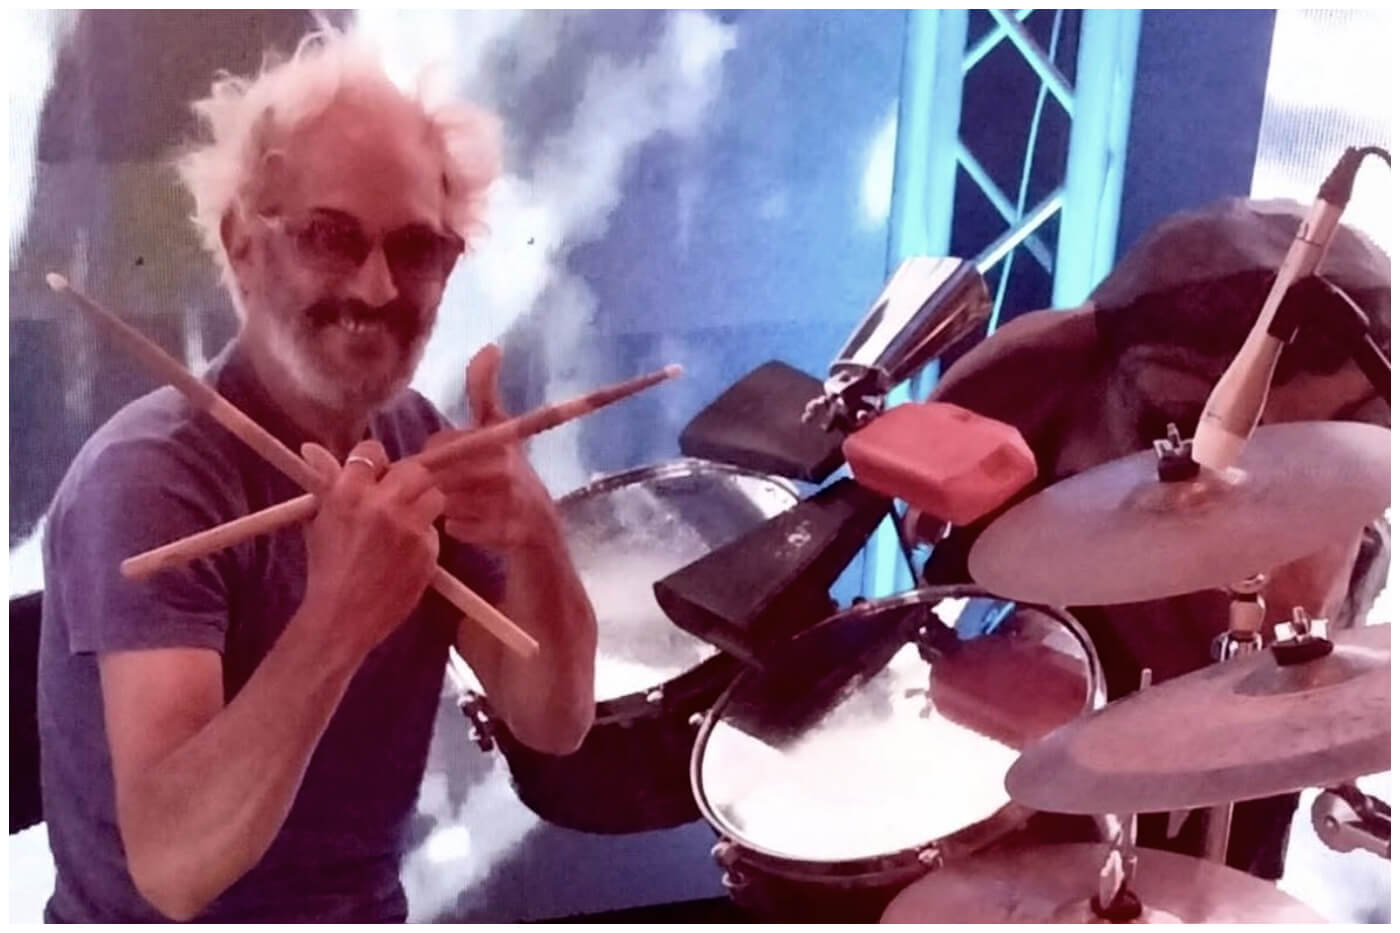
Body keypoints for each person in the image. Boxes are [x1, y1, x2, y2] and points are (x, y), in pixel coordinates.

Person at [37, 27, 598, 923]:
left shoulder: (419, 443)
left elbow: (553, 721)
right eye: (331, 238)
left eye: (417, 248)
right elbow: (174, 868)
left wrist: (534, 533)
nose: (377, 289)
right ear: (243, 245)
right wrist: (339, 617)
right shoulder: (151, 481)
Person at [917, 196, 1391, 879]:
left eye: (1341, 438)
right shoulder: (1044, 485)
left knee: (1234, 869)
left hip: (1236, 810)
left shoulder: (1354, 545)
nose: (1268, 482)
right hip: (1034, 804)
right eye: (1182, 425)